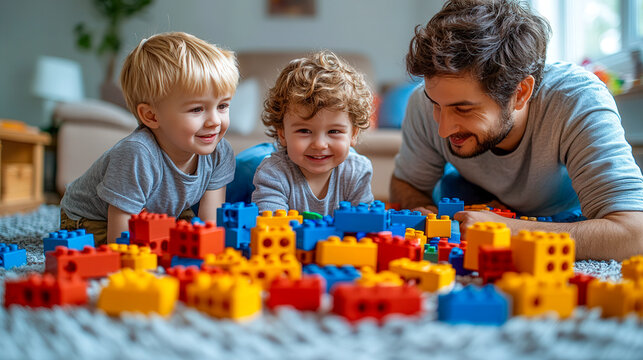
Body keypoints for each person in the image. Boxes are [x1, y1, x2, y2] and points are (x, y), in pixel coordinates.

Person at [390, 0, 643, 260]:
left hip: (565, 218)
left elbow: (634, 234)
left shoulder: (577, 99)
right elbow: (406, 184)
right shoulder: (424, 99)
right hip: (476, 199)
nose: (442, 129)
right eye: (436, 106)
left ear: (520, 93)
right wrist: (422, 211)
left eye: (463, 109)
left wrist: (512, 230)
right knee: (452, 187)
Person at [60, 32, 238, 245]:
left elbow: (211, 220)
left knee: (187, 234)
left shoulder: (220, 151)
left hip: (156, 212)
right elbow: (120, 235)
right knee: (142, 246)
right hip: (94, 218)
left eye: (223, 106)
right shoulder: (137, 153)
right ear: (151, 116)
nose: (215, 121)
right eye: (197, 109)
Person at [251, 51, 374, 215]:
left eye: (334, 131)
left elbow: (365, 225)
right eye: (304, 130)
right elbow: (273, 229)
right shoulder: (273, 173)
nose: (319, 144)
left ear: (353, 134)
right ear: (282, 134)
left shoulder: (357, 171)